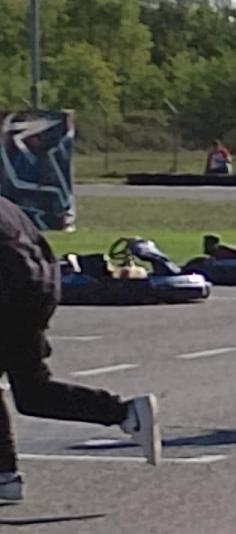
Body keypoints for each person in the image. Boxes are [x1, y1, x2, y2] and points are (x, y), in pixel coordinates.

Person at [0, 196, 160, 503]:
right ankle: (126, 413)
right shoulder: (7, 207)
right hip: (34, 290)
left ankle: (5, 474)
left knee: (33, 390)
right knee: (33, 393)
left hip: (15, 294)